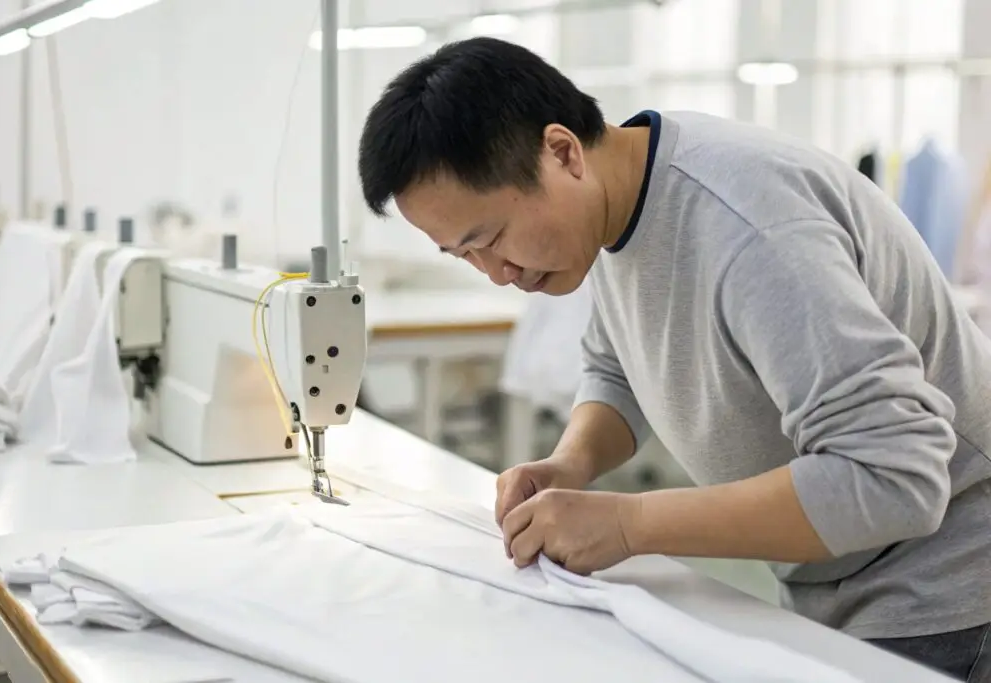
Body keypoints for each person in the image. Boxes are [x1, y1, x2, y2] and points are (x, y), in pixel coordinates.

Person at [356, 36, 991, 681]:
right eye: (465, 256)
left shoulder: (749, 228)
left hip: (946, 589)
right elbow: (618, 368)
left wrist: (632, 523)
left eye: (489, 239)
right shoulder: (617, 204)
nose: (498, 274)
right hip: (838, 577)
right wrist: (571, 461)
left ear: (561, 151)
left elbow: (895, 477)